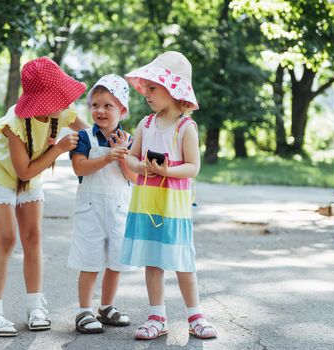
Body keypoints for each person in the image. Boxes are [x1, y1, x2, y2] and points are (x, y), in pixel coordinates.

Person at [0, 57, 89, 337]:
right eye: (56, 98)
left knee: (33, 238)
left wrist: (113, 142)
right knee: (6, 238)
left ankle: (35, 307)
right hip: (1, 170)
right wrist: (59, 149)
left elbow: (90, 133)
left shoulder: (63, 112)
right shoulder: (14, 124)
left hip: (32, 169)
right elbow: (24, 172)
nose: (62, 103)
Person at [121, 51, 217, 340]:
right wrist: (142, 167)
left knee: (182, 261)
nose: (146, 94)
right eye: (146, 88)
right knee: (153, 260)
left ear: (173, 89)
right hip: (148, 203)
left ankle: (194, 315)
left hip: (174, 206)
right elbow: (130, 157)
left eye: (153, 88)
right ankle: (157, 315)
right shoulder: (145, 124)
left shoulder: (186, 127)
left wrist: (166, 171)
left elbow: (193, 167)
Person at [68, 74, 137, 334]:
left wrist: (121, 157)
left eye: (108, 105)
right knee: (90, 260)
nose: (100, 110)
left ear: (122, 110)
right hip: (90, 209)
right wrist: (109, 156)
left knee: (116, 261)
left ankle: (107, 306)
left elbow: (133, 177)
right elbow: (80, 167)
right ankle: (84, 310)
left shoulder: (129, 140)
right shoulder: (85, 137)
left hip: (119, 209)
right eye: (95, 105)